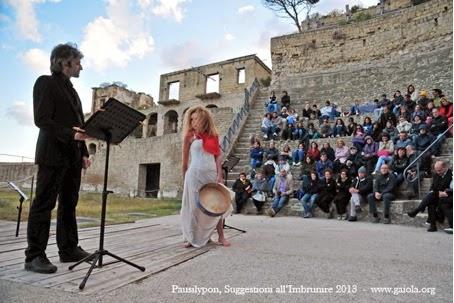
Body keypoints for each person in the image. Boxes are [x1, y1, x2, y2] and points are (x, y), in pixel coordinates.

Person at [25, 43, 92, 274]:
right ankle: (34, 255)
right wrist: (70, 134)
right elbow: (42, 120)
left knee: (68, 204)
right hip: (52, 154)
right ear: (65, 63)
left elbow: (79, 126)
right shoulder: (45, 83)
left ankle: (69, 249)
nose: (81, 67)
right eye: (78, 62)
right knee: (44, 204)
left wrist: (84, 152)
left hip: (73, 157)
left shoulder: (72, 91)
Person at [181, 106, 231, 248]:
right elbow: (184, 161)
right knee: (194, 207)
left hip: (210, 173)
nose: (193, 121)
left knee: (216, 205)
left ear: (203, 119)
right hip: (194, 174)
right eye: (191, 119)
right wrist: (184, 178)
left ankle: (221, 236)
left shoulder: (213, 136)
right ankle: (192, 237)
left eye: (195, 118)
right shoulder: (189, 136)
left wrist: (219, 175)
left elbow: (218, 157)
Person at [409, 161, 452, 233]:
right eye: (436, 170)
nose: (438, 172)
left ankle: (418, 210)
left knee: (431, 199)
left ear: (445, 167)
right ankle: (432, 225)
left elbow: (445, 187)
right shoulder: (436, 175)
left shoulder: (450, 174)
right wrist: (437, 192)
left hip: (446, 196)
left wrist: (438, 192)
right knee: (430, 201)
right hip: (437, 195)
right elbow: (433, 187)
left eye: (439, 170)